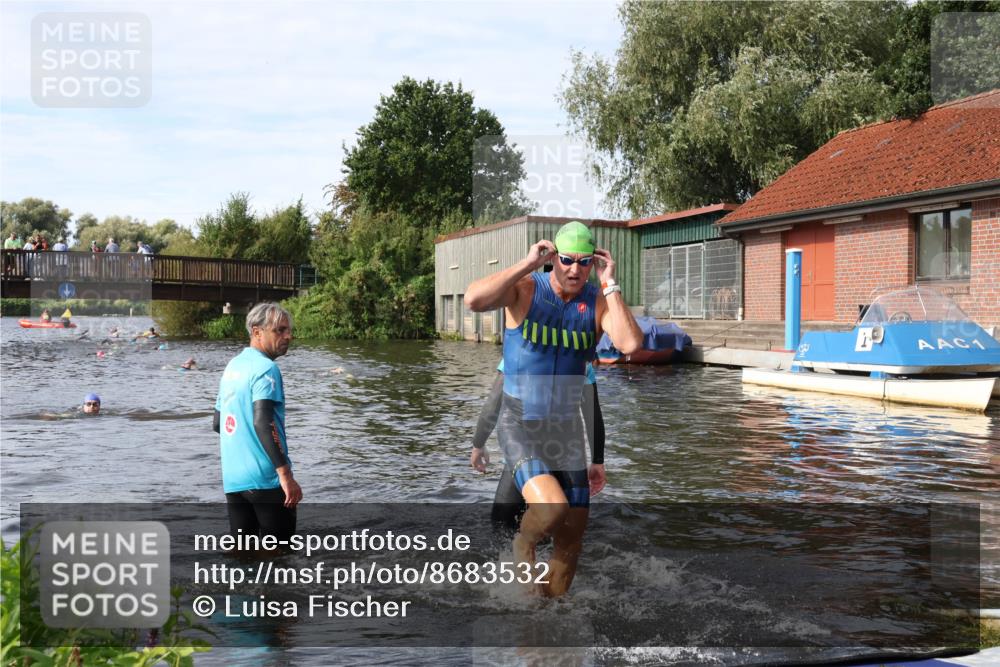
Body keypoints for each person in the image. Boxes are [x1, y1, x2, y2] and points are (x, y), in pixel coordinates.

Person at [464, 221, 642, 597]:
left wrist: (610, 282)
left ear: (594, 263)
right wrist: (526, 264)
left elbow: (628, 344)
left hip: (565, 433)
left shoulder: (596, 302)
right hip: (519, 423)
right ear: (553, 258)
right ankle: (521, 544)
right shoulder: (528, 288)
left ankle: (542, 619)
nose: (574, 269)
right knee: (551, 509)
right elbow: (473, 300)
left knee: (571, 540)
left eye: (584, 262)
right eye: (566, 260)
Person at [471, 360, 605, 536]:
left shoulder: (519, 352)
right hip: (565, 456)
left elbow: (494, 402)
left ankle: (519, 552)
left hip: (525, 453)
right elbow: (592, 416)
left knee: (502, 529)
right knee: (567, 537)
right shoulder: (582, 362)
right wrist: (597, 461)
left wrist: (478, 444)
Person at [214, 302, 301, 541]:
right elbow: (264, 423)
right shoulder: (266, 369)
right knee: (281, 555)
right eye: (280, 330)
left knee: (243, 555)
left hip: (234, 479)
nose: (288, 336)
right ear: (257, 332)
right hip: (265, 478)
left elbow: (217, 423)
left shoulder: (232, 367)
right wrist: (285, 476)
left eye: (288, 330)